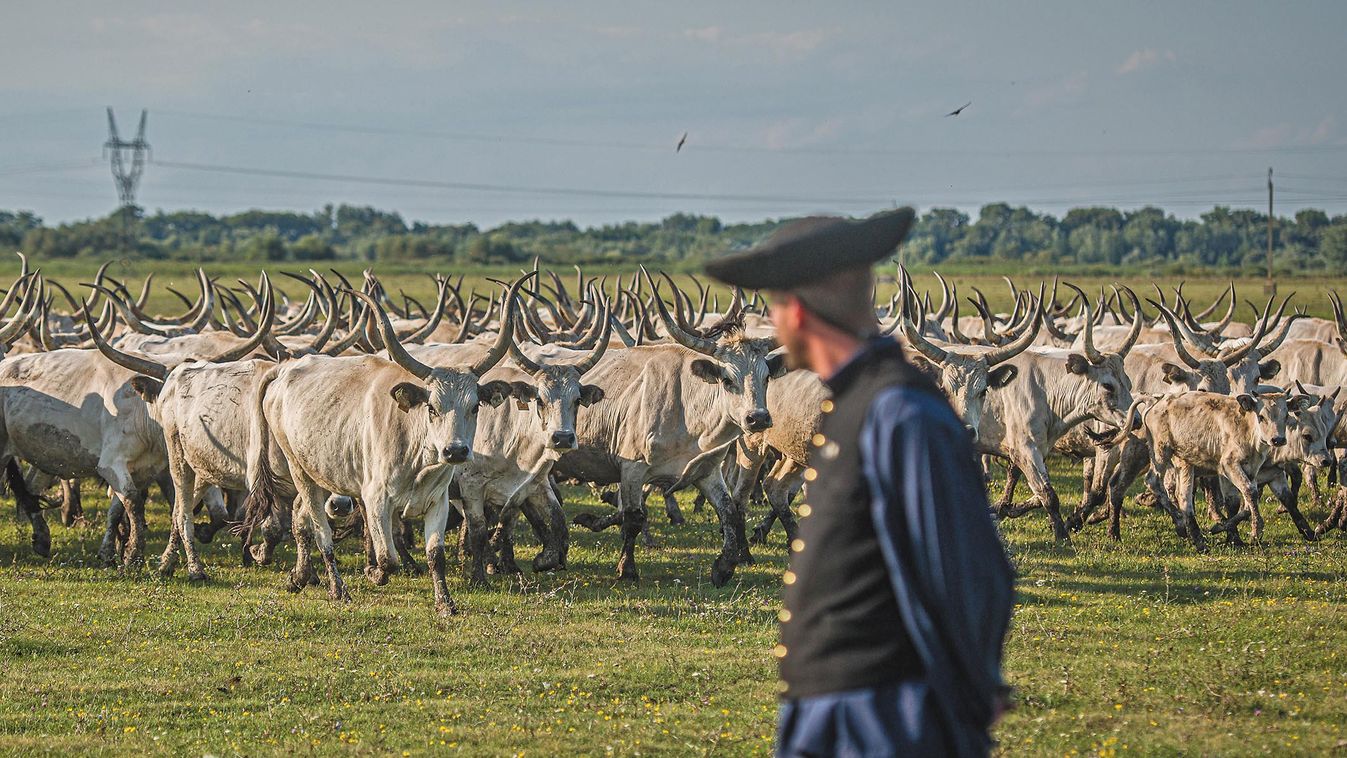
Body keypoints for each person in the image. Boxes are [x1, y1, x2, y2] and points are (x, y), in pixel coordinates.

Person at [704, 209, 1015, 757]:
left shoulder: (900, 412)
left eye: (774, 308)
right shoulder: (854, 401)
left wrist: (968, 693)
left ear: (795, 312)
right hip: (834, 709)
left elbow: (969, 570)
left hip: (885, 714)